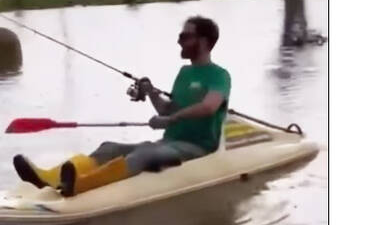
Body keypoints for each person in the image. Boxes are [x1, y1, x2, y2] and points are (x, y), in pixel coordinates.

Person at [13, 15, 231, 197]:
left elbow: (209, 107)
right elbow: (167, 111)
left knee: (145, 153)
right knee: (109, 148)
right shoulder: (185, 73)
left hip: (197, 148)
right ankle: (50, 178)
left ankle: (80, 184)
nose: (179, 41)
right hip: (169, 142)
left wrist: (171, 120)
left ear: (203, 41)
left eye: (185, 36)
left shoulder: (219, 75)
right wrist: (151, 92)